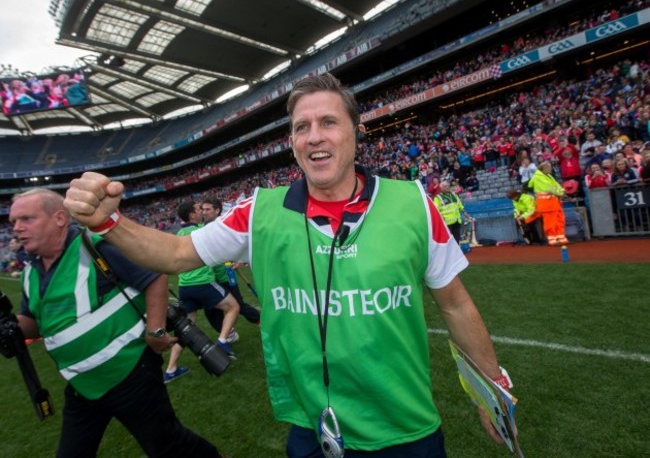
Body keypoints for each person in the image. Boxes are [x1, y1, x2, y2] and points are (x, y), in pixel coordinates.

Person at [64, 73, 512, 457]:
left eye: (328, 122)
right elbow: (176, 254)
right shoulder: (257, 212)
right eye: (302, 127)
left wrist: (492, 388)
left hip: (407, 431)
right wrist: (108, 222)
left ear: (357, 131)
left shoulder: (413, 203)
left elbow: (455, 305)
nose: (314, 135)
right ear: (293, 143)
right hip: (312, 430)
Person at [8, 188, 222, 458]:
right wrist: (11, 326)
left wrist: (155, 331)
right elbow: (36, 324)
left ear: (59, 218)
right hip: (82, 384)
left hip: (130, 372)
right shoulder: (30, 273)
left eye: (26, 219)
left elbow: (154, 275)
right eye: (14, 222)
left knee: (167, 446)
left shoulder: (96, 246)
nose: (17, 228)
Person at [169, 201, 240, 365]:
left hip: (184, 286)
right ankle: (222, 342)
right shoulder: (201, 232)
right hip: (202, 283)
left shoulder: (179, 234)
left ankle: (171, 368)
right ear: (192, 215)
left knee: (186, 328)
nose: (201, 211)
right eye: (198, 209)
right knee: (233, 306)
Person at [201, 198, 261, 331]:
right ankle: (226, 335)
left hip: (226, 275)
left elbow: (241, 243)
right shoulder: (202, 228)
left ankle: (261, 321)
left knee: (238, 304)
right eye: (202, 209)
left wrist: (240, 260)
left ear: (217, 210)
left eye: (207, 209)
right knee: (210, 309)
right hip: (210, 277)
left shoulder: (224, 226)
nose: (204, 212)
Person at [526, 161, 570, 246]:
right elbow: (550, 188)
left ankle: (561, 238)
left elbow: (556, 186)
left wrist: (561, 190)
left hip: (554, 203)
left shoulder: (547, 175)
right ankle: (552, 239)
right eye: (549, 167)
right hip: (547, 205)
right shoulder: (538, 177)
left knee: (559, 220)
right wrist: (561, 192)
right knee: (550, 222)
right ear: (544, 168)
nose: (550, 169)